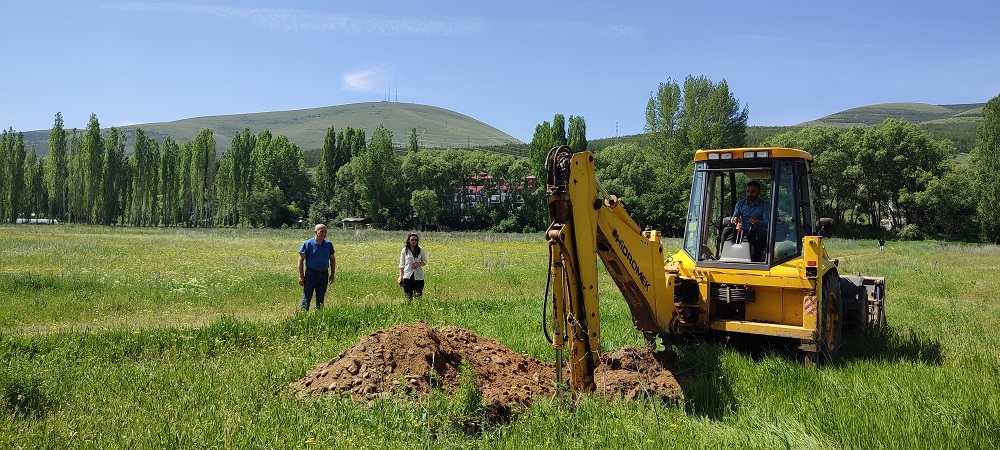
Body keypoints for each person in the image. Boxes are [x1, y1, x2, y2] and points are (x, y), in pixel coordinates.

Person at [298, 223, 335, 311]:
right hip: (311, 274)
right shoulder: (307, 244)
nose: (323, 233)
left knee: (320, 298)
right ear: (315, 232)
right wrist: (301, 276)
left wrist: (332, 273)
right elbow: (300, 260)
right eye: (321, 231)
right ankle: (303, 316)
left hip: (324, 274)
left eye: (325, 231)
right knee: (307, 297)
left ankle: (319, 317)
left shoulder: (328, 244)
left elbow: (332, 259)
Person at [730, 180, 770, 260]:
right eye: (748, 191)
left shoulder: (764, 205)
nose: (750, 194)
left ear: (759, 192)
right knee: (726, 232)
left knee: (759, 237)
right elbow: (733, 217)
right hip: (743, 230)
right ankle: (726, 257)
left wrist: (758, 221)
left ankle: (756, 260)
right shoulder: (740, 204)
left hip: (758, 231)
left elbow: (768, 222)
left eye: (753, 191)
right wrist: (734, 219)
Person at [397, 233, 427, 300]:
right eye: (412, 239)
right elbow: (401, 265)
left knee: (419, 297)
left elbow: (424, 261)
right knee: (408, 297)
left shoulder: (420, 250)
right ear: (409, 240)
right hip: (407, 277)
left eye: (416, 240)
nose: (414, 241)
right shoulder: (404, 250)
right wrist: (401, 277)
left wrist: (419, 264)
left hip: (418, 277)